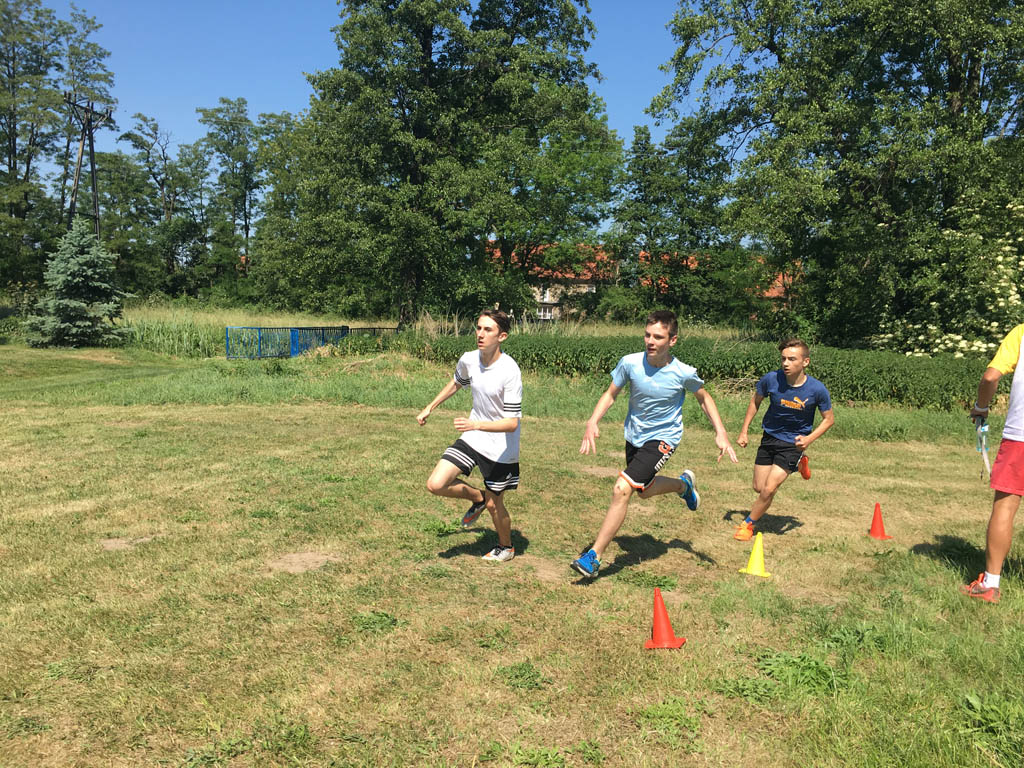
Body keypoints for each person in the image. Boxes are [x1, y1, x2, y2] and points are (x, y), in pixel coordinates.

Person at [570, 310, 738, 578]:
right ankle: (684, 485)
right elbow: (612, 393)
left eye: (658, 337)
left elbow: (704, 399)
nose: (650, 341)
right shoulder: (630, 363)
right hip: (634, 435)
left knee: (621, 488)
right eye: (647, 335)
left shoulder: (683, 372)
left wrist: (720, 432)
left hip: (663, 438)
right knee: (644, 491)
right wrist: (592, 421)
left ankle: (594, 556)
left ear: (672, 340)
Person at [417, 309, 522, 563]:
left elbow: (511, 423)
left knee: (495, 505)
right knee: (436, 484)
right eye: (478, 328)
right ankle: (478, 496)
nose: (480, 334)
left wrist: (477, 425)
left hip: (501, 446)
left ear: (502, 336)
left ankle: (506, 548)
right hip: (473, 437)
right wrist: (430, 407)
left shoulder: (510, 370)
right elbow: (457, 382)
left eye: (488, 330)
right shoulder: (468, 359)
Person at [733, 338, 834, 541]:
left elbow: (828, 420)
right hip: (769, 437)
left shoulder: (817, 389)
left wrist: (808, 439)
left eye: (792, 359)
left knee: (769, 489)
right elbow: (755, 402)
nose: (786, 363)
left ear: (805, 362)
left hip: (793, 443)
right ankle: (801, 464)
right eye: (783, 359)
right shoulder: (771, 379)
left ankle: (748, 524)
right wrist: (744, 431)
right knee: (759, 488)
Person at [960, 323, 1024, 603]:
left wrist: (982, 406)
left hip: (1021, 436)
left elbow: (989, 378)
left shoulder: (1021, 332)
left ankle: (991, 584)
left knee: (1006, 506)